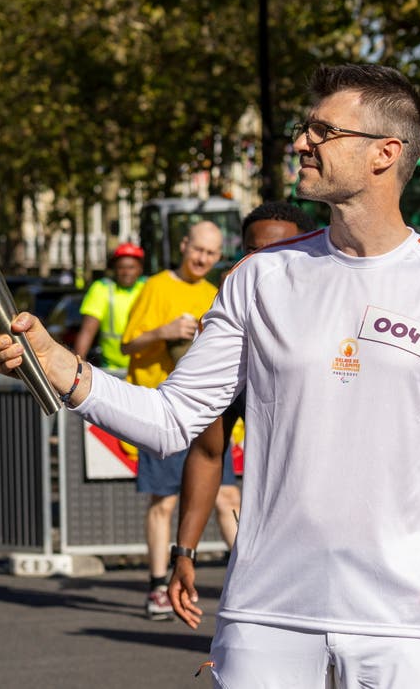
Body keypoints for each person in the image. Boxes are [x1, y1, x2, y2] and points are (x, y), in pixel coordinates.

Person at [0, 64, 420, 686]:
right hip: (267, 617)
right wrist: (59, 365)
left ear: (384, 153)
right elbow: (172, 419)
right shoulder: (260, 277)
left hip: (408, 627)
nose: (301, 141)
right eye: (304, 127)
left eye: (323, 130)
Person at [167, 201, 316, 630]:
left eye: (278, 252)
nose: (260, 263)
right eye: (251, 251)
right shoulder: (233, 348)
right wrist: (185, 553)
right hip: (268, 554)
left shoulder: (340, 330)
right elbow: (207, 453)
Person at [118, 220, 236, 620]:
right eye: (198, 249)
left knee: (228, 497)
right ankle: (157, 587)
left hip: (209, 414)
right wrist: (163, 332)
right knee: (164, 502)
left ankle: (248, 579)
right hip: (162, 409)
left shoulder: (215, 292)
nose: (203, 259)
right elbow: (127, 344)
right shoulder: (156, 287)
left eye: (211, 253)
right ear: (184, 246)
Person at [72, 242, 146, 370]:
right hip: (113, 370)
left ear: (140, 269)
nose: (126, 272)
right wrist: (78, 367)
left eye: (131, 267)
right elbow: (87, 331)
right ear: (114, 269)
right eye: (121, 267)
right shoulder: (102, 289)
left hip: (146, 369)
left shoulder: (148, 287)